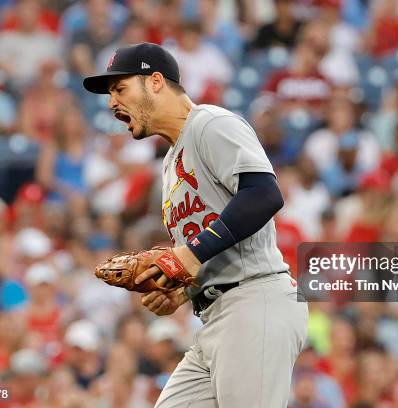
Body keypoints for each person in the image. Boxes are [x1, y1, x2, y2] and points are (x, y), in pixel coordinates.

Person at [83, 42, 308, 407]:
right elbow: (205, 246)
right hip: (215, 316)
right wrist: (182, 290)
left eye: (120, 88)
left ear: (155, 81)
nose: (112, 103)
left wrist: (190, 255)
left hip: (254, 302)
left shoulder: (210, 123)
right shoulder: (171, 161)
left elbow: (263, 195)